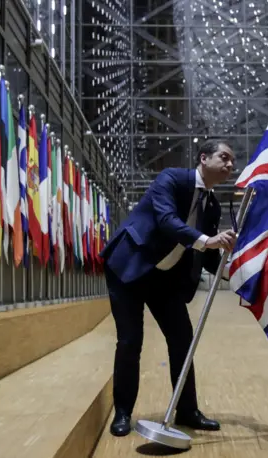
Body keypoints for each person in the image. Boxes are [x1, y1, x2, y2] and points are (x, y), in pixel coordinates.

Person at [99, 139, 238, 437]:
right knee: (129, 341)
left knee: (182, 340)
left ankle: (187, 411)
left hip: (166, 279)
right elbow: (166, 221)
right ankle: (122, 412)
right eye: (224, 158)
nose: (230, 165)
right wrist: (207, 240)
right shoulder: (171, 178)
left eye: (232, 162)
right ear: (204, 158)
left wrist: (239, 272)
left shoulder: (211, 206)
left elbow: (209, 257)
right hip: (129, 268)